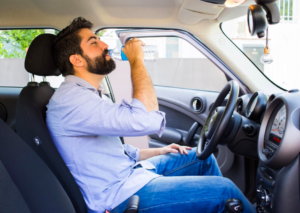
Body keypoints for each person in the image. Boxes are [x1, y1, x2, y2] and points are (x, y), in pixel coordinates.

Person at [46, 17, 256, 213]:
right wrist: (137, 60)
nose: (105, 45)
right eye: (94, 42)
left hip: (129, 173)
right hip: (119, 196)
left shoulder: (86, 95)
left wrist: (159, 151)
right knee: (225, 192)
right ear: (76, 60)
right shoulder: (72, 101)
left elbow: (110, 151)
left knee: (203, 158)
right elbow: (146, 119)